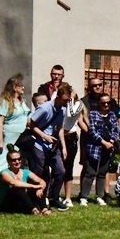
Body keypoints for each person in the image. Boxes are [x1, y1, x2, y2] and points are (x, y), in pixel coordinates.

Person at [26, 83, 72, 211]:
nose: (67, 102)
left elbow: (60, 128)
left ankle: (54, 197)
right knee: (38, 174)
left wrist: (64, 147)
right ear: (58, 97)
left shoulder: (62, 109)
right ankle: (35, 201)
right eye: (66, 100)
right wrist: (43, 136)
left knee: (60, 171)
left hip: (52, 145)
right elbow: (31, 124)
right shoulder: (45, 108)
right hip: (39, 145)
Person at [80, 94, 118, 206]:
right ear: (99, 104)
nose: (106, 105)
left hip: (108, 148)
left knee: (102, 173)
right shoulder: (93, 115)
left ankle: (99, 196)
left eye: (108, 102)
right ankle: (84, 196)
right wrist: (103, 142)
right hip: (95, 148)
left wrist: (112, 141)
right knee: (90, 173)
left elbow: (116, 130)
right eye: (103, 103)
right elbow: (92, 131)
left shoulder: (112, 115)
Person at [0, 146, 50, 215]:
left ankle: (44, 209)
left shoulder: (25, 172)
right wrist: (34, 186)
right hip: (8, 204)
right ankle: (33, 210)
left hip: (21, 202)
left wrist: (41, 188)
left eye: (19, 159)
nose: (17, 162)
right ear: (8, 161)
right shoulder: (4, 173)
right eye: (14, 160)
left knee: (38, 186)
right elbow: (14, 183)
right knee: (18, 189)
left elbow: (42, 181)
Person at [61, 92, 84, 207]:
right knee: (56, 166)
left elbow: (71, 114)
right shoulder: (60, 105)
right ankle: (53, 194)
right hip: (59, 136)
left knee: (68, 167)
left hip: (70, 137)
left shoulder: (78, 104)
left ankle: (68, 197)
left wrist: (70, 100)